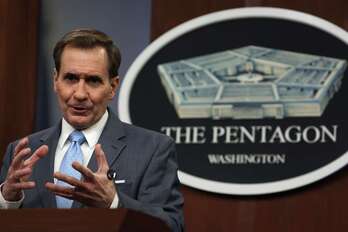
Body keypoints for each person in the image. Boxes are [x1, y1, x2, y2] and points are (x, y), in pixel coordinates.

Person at [0, 29, 184, 231]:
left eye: (93, 80)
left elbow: (171, 226)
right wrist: (8, 200)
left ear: (113, 87)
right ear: (55, 80)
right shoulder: (21, 150)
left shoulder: (153, 149)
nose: (79, 93)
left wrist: (113, 202)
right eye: (70, 78)